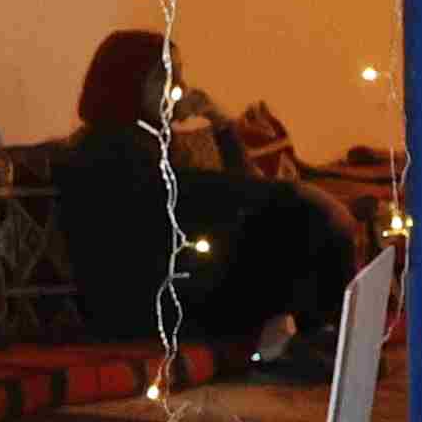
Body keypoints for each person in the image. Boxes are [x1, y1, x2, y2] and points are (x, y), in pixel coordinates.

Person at [55, 30, 363, 369]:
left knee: (286, 220)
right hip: (138, 306)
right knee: (292, 219)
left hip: (174, 288)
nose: (179, 87)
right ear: (127, 81)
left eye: (179, 74)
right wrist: (299, 193)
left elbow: (235, 189)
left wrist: (221, 124)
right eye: (164, 75)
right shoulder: (103, 148)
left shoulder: (149, 140)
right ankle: (315, 339)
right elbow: (196, 193)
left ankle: (318, 337)